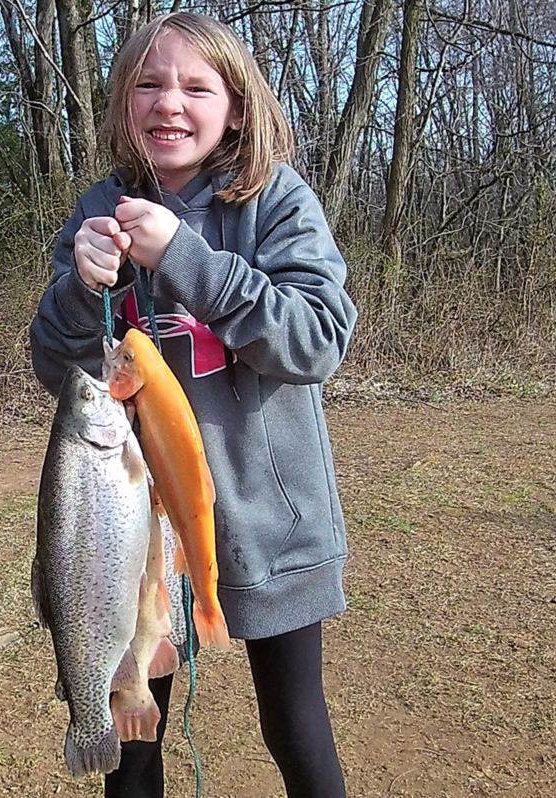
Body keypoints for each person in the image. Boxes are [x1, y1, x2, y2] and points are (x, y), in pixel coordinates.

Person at [30, 11, 357, 798]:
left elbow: (317, 339)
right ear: (123, 104)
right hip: (132, 537)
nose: (169, 103)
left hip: (270, 524)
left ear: (236, 107)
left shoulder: (274, 201)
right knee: (133, 741)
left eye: (196, 87)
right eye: (148, 84)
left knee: (295, 726)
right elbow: (54, 364)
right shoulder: (97, 210)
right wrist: (78, 291)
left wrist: (186, 257)